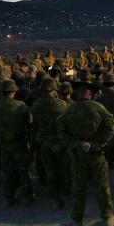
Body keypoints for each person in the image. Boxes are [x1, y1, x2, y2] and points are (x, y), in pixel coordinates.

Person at [57, 71, 114, 226]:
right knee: (102, 186)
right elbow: (111, 128)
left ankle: (77, 221)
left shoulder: (68, 111)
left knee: (78, 188)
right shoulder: (99, 108)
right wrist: (96, 144)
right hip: (96, 155)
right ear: (90, 92)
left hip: (78, 156)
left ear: (76, 93)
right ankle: (106, 218)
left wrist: (77, 144)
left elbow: (61, 133)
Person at [31, 81, 68, 209]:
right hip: (59, 140)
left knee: (50, 169)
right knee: (63, 166)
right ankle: (66, 190)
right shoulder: (61, 104)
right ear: (53, 90)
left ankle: (54, 196)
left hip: (45, 141)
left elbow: (33, 125)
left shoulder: (35, 106)